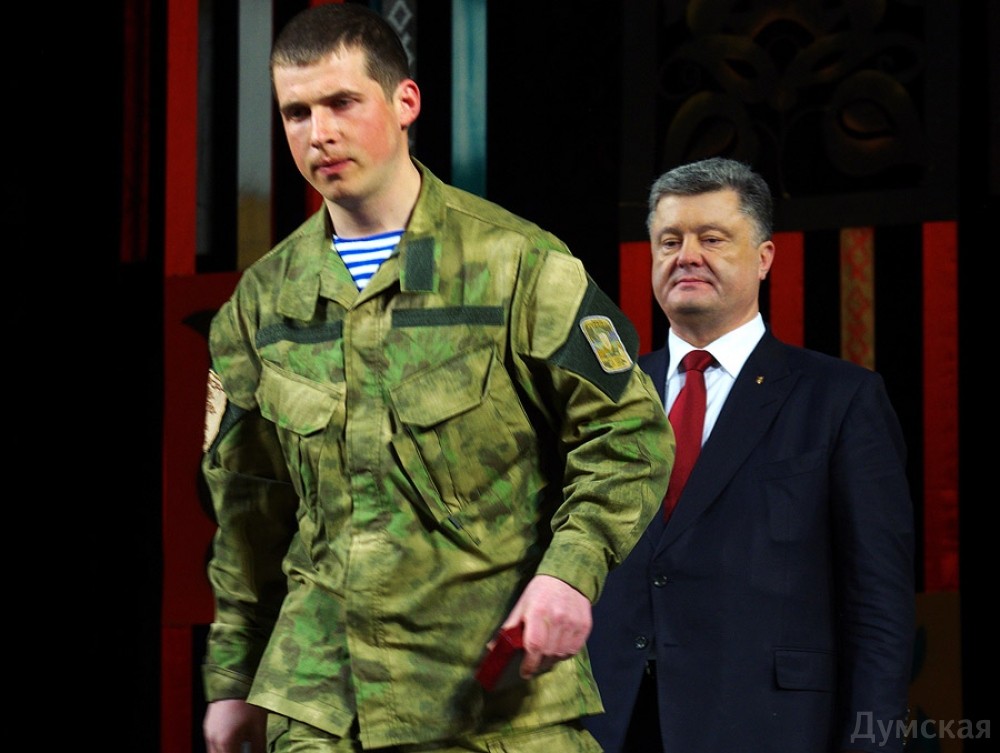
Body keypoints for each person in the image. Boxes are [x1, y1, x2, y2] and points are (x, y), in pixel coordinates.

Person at [198, 5, 674, 752]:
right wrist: (233, 678)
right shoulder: (262, 302)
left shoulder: (517, 265)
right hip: (322, 709)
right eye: (297, 112)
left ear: (406, 101)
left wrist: (570, 574)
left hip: (490, 704)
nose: (319, 133)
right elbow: (247, 513)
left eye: (342, 102)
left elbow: (629, 438)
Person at [584, 157, 915, 753]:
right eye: (670, 241)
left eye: (712, 239)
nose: (687, 255)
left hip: (770, 727)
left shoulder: (841, 399)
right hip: (609, 725)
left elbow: (879, 607)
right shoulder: (603, 395)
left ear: (764, 258)